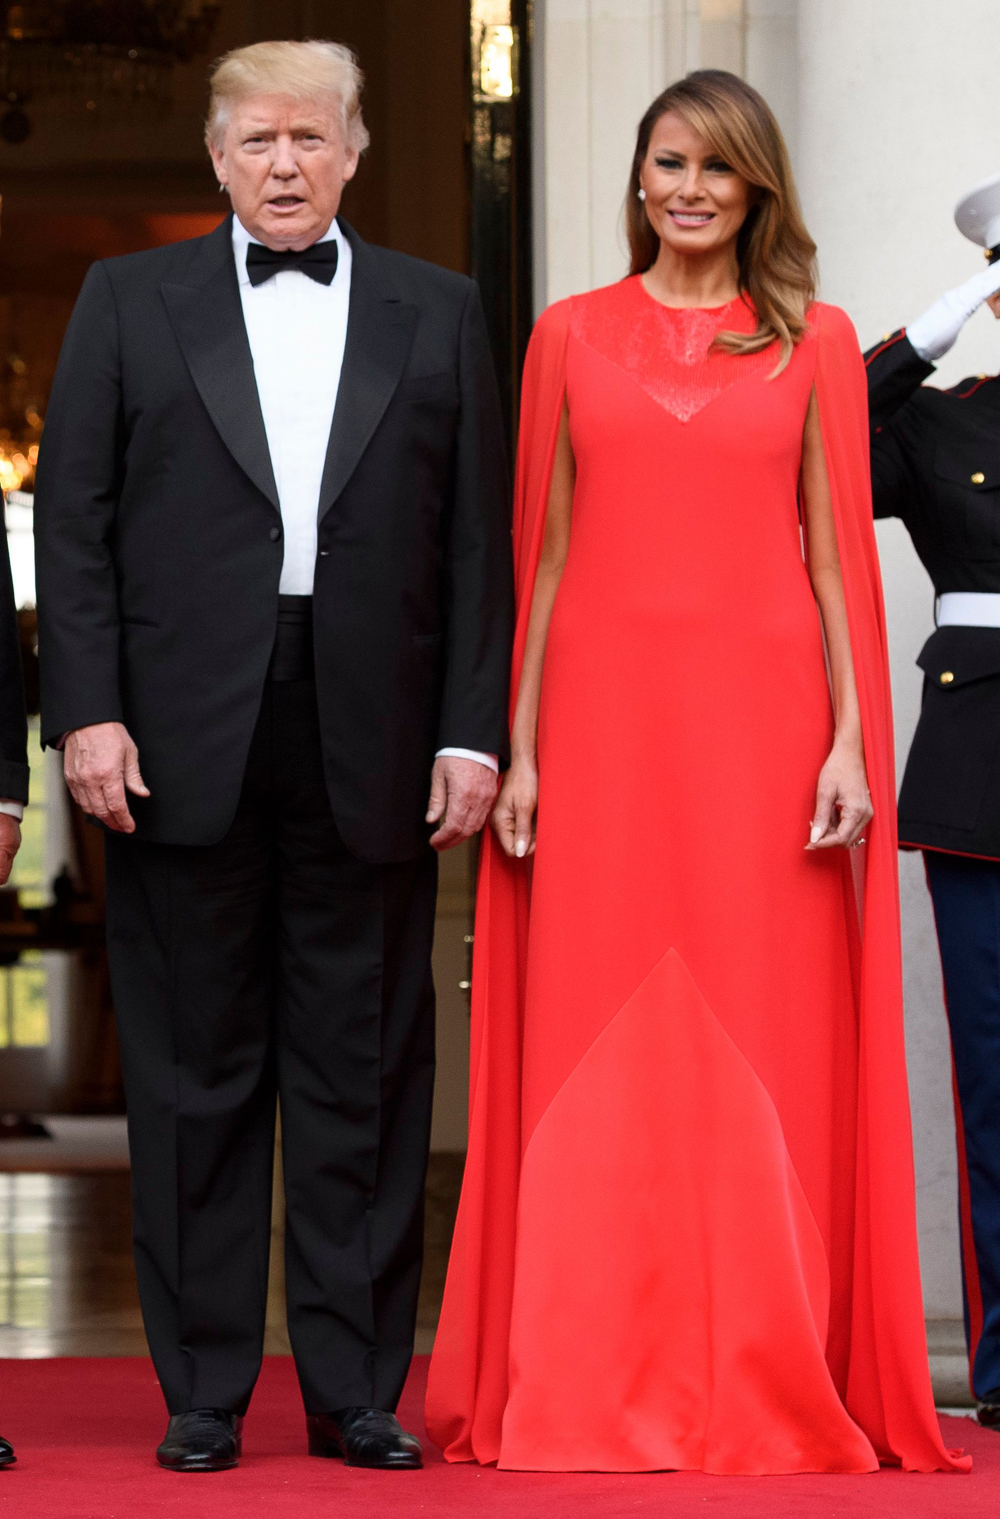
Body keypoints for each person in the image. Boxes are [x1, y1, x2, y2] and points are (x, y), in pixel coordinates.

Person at [426, 69, 967, 1475]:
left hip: (769, 732)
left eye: (716, 170)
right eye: (668, 162)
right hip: (600, 732)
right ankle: (583, 1364)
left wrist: (852, 739)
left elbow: (841, 561)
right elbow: (539, 555)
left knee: (766, 1027)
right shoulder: (566, 336)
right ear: (641, 179)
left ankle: (764, 1363)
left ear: (756, 191)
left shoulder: (819, 345)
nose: (686, 189)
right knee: (590, 1020)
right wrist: (525, 743)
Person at [34, 40, 512, 1474]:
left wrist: (472, 728)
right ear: (217, 155)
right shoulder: (129, 298)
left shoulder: (441, 311)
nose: (284, 162)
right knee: (194, 1075)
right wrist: (92, 709)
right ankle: (202, 1392)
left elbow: (479, 546)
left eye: (310, 136)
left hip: (376, 730)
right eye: (256, 140)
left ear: (356, 150)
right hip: (174, 736)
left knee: (363, 1068)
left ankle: (357, 1389)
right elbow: (76, 522)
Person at [864, 170, 1000, 1432]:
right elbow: (804, 458)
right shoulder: (946, 422)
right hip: (982, 767)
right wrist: (921, 336)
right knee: (998, 1078)